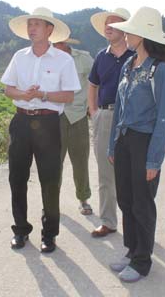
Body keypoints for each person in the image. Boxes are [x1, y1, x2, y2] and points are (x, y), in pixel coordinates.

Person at [1, 7, 81, 253]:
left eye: (37, 24)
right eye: (30, 24)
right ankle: (20, 230)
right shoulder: (19, 57)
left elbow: (68, 96)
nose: (32, 28)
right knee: (17, 178)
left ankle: (49, 234)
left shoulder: (63, 60)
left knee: (50, 180)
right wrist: (23, 94)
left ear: (49, 30)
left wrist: (43, 95)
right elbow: (8, 89)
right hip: (21, 122)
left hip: (48, 124)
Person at [107, 6, 165, 283]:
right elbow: (119, 108)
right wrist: (113, 145)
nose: (126, 34)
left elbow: (163, 118)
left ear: (144, 36)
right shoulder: (128, 65)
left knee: (142, 203)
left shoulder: (160, 70)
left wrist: (154, 160)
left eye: (131, 31)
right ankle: (132, 250)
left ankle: (142, 261)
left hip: (145, 141)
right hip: (124, 140)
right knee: (125, 199)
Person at [87, 7, 134, 238]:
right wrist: (94, 111)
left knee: (131, 172)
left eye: (113, 23)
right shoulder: (101, 57)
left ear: (125, 29)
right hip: (105, 116)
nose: (108, 27)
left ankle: (135, 223)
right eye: (106, 23)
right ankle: (108, 221)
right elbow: (92, 85)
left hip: (131, 118)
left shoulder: (136, 56)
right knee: (105, 173)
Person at [52, 37, 94, 215]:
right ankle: (51, 202)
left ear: (65, 41)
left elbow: (95, 82)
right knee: (54, 163)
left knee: (80, 161)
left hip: (78, 115)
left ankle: (83, 199)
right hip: (55, 116)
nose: (56, 45)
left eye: (59, 41)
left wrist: (92, 106)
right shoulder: (47, 58)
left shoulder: (84, 58)